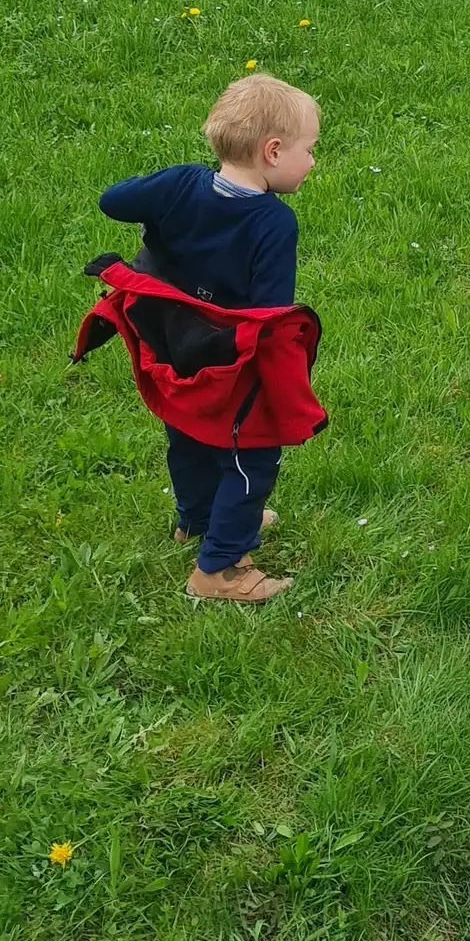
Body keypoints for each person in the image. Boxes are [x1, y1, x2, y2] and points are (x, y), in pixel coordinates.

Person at [81, 73, 323, 604]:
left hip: (168, 345)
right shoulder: (273, 223)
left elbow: (113, 200)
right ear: (273, 150)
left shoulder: (181, 185)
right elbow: (271, 314)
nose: (312, 162)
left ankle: (195, 520)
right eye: (309, 150)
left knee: (187, 429)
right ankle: (221, 569)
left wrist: (174, 196)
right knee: (248, 455)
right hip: (227, 360)